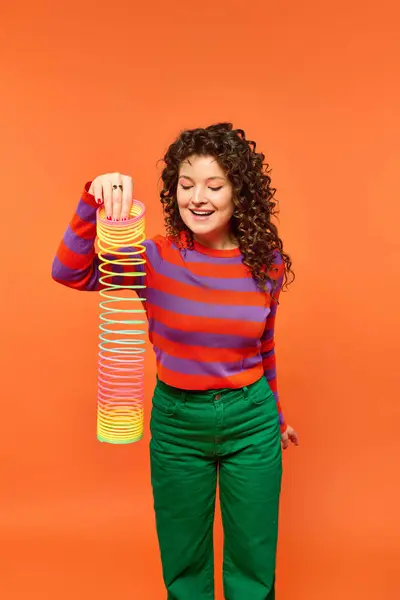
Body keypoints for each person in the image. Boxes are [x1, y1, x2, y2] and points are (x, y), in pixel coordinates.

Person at [52, 122, 299, 600]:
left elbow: (264, 348)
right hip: (177, 422)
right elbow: (68, 270)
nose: (198, 198)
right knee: (184, 562)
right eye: (186, 186)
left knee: (254, 562)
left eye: (213, 185)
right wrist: (92, 200)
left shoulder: (265, 263)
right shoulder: (154, 260)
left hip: (253, 420)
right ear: (174, 192)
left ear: (238, 193)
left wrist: (278, 417)